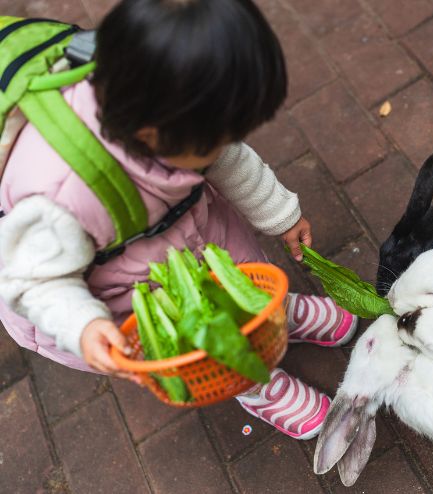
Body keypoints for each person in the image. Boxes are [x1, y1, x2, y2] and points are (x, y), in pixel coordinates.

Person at [0, 0, 357, 440]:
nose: (228, 145)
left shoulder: (174, 115)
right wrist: (84, 325)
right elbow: (34, 281)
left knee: (243, 276)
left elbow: (230, 159)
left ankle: (275, 314)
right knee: (204, 344)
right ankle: (253, 381)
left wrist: (279, 214)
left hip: (191, 229)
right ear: (153, 137)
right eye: (218, 139)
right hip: (123, 289)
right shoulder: (60, 192)